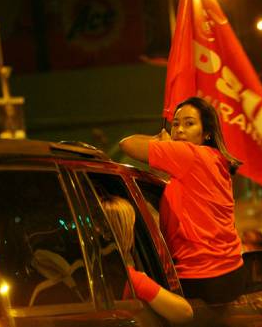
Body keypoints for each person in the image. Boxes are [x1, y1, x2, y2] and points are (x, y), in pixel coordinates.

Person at [119, 96, 245, 304]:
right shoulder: (217, 161)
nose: (179, 130)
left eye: (189, 123)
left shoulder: (189, 155)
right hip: (231, 272)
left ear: (206, 133)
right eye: (175, 124)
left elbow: (128, 144)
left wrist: (160, 141)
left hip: (201, 277)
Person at [101, 195, 193, 323]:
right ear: (124, 232)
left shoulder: (86, 270)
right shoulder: (130, 280)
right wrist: (143, 281)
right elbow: (185, 313)